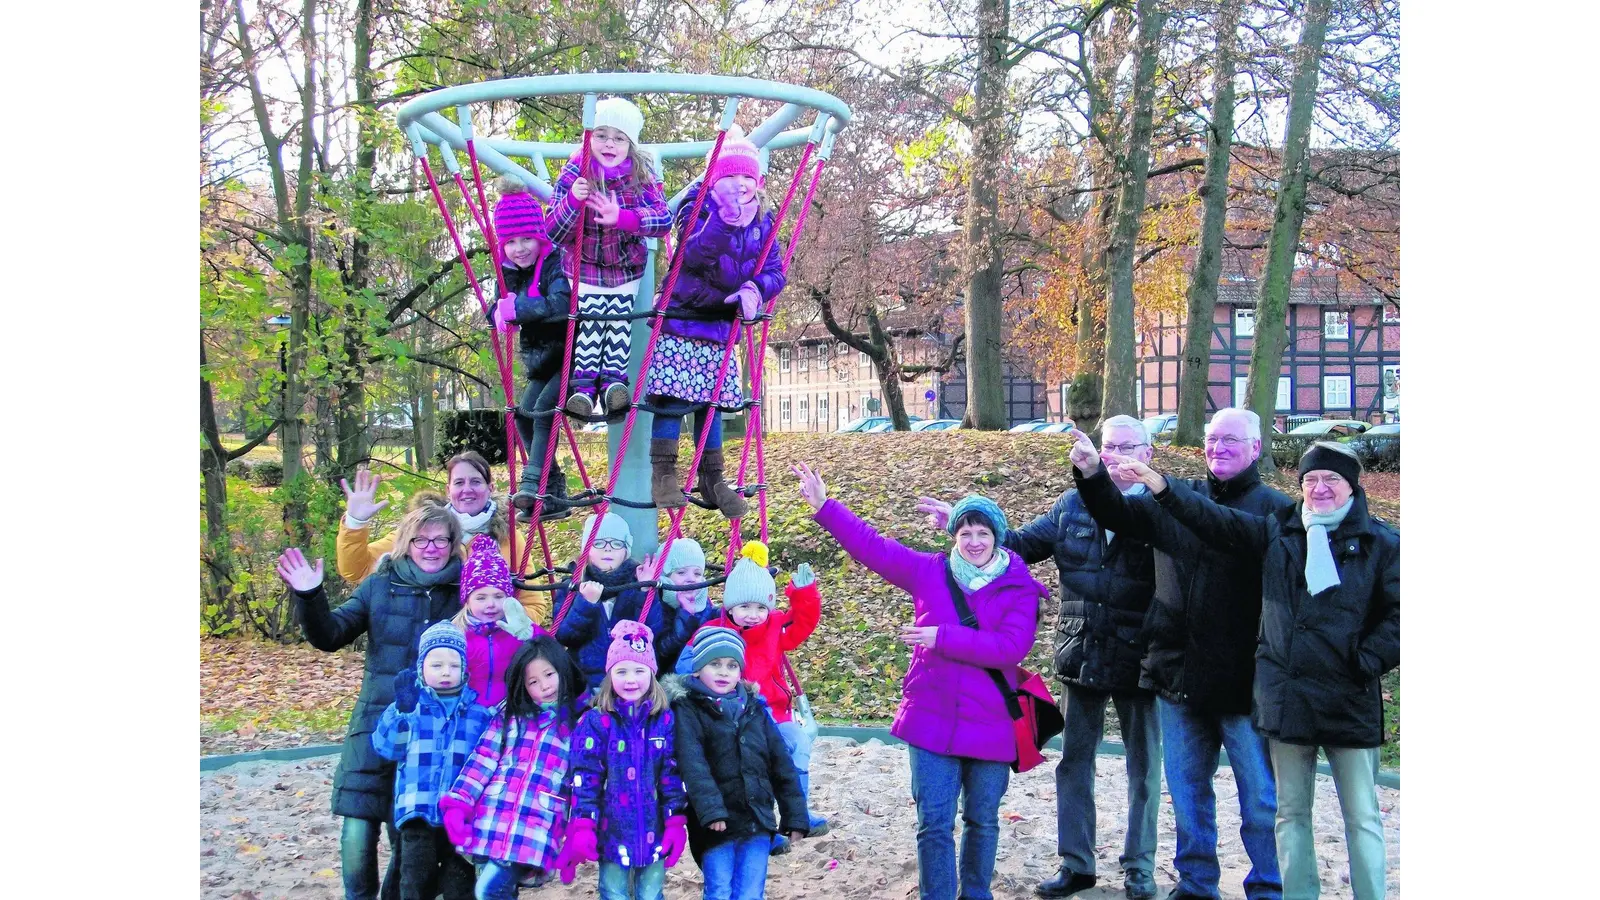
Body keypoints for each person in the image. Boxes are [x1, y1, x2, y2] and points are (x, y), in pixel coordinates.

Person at [1105, 442, 1398, 900]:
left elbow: (1402, 615)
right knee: (1289, 813)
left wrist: (1365, 661)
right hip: (1289, 697)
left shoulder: (1383, 542)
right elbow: (1213, 520)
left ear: (1352, 486)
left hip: (1348, 697)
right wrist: (1160, 485)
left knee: (1361, 815)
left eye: (1331, 480)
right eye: (1310, 481)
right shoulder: (1279, 533)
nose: (1319, 489)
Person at [917, 412, 1162, 900]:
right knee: (1074, 761)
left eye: (1128, 447)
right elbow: (1022, 545)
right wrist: (971, 526)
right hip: (1084, 650)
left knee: (1143, 766)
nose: (1116, 456)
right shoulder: (1072, 504)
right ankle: (1078, 863)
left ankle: (1139, 865)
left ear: (1148, 454)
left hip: (1142, 654)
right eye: (1109, 446)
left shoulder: (1161, 509)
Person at [795, 462, 1047, 900]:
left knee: (982, 820)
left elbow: (1010, 649)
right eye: (965, 532)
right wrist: (825, 506)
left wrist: (941, 636)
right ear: (953, 536)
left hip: (991, 722)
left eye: (983, 533)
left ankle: (976, 894)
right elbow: (873, 548)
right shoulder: (930, 571)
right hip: (931, 719)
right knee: (933, 822)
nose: (973, 542)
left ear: (997, 538)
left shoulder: (1018, 587)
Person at [1067, 408, 1290, 900]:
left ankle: (1268, 887)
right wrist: (1091, 473)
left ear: (1256, 448)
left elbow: (1222, 525)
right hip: (1177, 673)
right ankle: (1196, 883)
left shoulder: (1275, 509)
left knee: (1259, 799)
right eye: (1212, 439)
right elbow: (1117, 512)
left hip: (1243, 681)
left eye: (1232, 440)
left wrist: (1165, 489)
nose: (1219, 448)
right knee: (1189, 795)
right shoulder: (1177, 496)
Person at [276, 504, 465, 900]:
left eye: (440, 539)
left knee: (410, 837)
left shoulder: (464, 592)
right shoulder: (380, 585)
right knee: (357, 827)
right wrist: (310, 595)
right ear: (406, 543)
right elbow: (330, 634)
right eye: (421, 539)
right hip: (375, 718)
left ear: (453, 544)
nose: (431, 548)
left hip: (433, 735)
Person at [645, 126, 785, 519]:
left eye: (746, 178)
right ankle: (664, 474)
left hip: (722, 329)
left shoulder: (763, 220)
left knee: (712, 406)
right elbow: (693, 256)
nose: (738, 186)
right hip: (684, 318)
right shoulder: (697, 207)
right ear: (713, 181)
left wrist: (756, 289)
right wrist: (722, 220)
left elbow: (776, 270)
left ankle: (713, 477)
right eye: (729, 177)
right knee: (672, 398)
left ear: (757, 182)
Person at [546, 96, 673, 419]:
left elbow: (663, 220)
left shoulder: (641, 175)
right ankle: (584, 390)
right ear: (589, 138)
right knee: (589, 326)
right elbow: (553, 230)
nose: (609, 144)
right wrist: (573, 201)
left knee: (617, 325)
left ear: (630, 144)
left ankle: (615, 387)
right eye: (601, 135)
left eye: (618, 138)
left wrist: (625, 217)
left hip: (625, 270)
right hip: (584, 268)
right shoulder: (577, 171)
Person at [699, 541, 828, 852]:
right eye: (745, 607)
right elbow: (693, 660)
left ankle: (798, 811)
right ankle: (762, 828)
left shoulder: (774, 626)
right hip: (737, 717)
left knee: (796, 741)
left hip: (776, 711)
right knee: (753, 765)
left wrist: (804, 593)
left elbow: (802, 624)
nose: (754, 615)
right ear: (730, 607)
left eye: (760, 607)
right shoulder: (715, 631)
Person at [665, 627, 807, 900]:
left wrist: (794, 815)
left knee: (751, 891)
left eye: (732, 665)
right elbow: (693, 764)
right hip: (715, 822)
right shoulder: (688, 710)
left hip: (757, 817)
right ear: (697, 670)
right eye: (714, 664)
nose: (723, 672)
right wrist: (712, 811)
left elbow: (781, 764)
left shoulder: (754, 709)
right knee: (719, 889)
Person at [440, 637, 585, 900]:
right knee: (493, 889)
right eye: (533, 681)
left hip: (536, 825)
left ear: (562, 669)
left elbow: (584, 782)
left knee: (488, 890)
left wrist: (578, 830)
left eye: (549, 674)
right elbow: (482, 759)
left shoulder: (579, 723)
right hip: (492, 818)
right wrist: (459, 803)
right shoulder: (510, 715)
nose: (545, 685)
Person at [554, 620, 689, 900]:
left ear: (651, 674)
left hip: (654, 829)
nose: (631, 680)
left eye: (639, 671)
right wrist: (582, 824)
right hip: (611, 831)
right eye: (622, 671)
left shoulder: (663, 719)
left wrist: (675, 820)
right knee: (613, 892)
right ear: (609, 675)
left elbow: (671, 774)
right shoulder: (596, 721)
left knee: (651, 893)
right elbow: (585, 777)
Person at [338, 452, 552, 624]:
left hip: (485, 659)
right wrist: (355, 522)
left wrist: (497, 625)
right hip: (431, 659)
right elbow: (356, 569)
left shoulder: (508, 538)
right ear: (448, 490)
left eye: (476, 481)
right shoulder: (421, 531)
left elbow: (533, 604)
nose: (467, 489)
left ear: (490, 488)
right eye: (459, 483)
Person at [371, 622, 495, 900]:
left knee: (460, 885)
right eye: (436, 665)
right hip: (418, 812)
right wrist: (401, 713)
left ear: (464, 668)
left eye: (453, 665)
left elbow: (487, 762)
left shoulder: (479, 714)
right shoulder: (410, 706)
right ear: (421, 668)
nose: (445, 672)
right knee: (416, 879)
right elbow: (387, 748)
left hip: (461, 817)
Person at [488, 177, 575, 523]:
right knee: (522, 412)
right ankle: (553, 491)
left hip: (573, 356)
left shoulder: (554, 264)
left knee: (541, 409)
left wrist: (517, 308)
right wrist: (496, 312)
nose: (520, 248)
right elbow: (498, 305)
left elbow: (561, 303)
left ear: (539, 238)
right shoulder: (508, 273)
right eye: (511, 241)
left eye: (527, 239)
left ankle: (533, 481)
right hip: (541, 361)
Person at [553, 512, 666, 690]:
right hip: (585, 685)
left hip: (631, 682)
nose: (608, 549)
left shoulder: (636, 583)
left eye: (616, 544)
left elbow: (653, 631)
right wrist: (586, 604)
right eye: (599, 543)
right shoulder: (572, 586)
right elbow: (565, 636)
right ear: (587, 550)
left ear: (626, 550)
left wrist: (645, 590)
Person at [446, 534, 545, 708]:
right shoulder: (455, 634)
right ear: (467, 601)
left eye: (498, 596)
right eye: (481, 598)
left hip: (512, 713)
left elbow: (550, 655)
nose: (490, 605)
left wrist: (530, 634)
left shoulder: (517, 630)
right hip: (468, 715)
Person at [653, 538, 718, 674]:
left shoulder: (706, 606)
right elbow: (661, 652)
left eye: (697, 573)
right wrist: (685, 615)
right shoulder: (656, 604)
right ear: (664, 577)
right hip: (667, 678)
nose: (691, 579)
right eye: (681, 572)